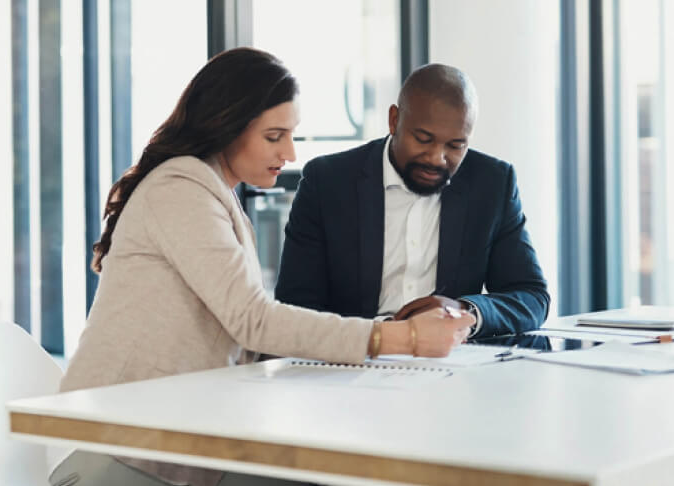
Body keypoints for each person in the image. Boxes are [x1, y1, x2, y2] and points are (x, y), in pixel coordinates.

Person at [52, 49, 475, 486]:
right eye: (274, 136)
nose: (289, 153)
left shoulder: (214, 195)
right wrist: (401, 338)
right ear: (227, 126)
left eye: (290, 135)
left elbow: (244, 335)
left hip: (174, 444)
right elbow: (253, 319)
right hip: (115, 449)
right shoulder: (180, 190)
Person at [275, 63, 549, 338]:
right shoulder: (328, 181)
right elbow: (294, 306)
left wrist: (465, 311)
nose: (436, 158)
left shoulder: (492, 183)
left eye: (455, 146)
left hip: (453, 367)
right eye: (423, 139)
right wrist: (381, 337)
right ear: (394, 120)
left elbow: (532, 297)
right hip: (352, 361)